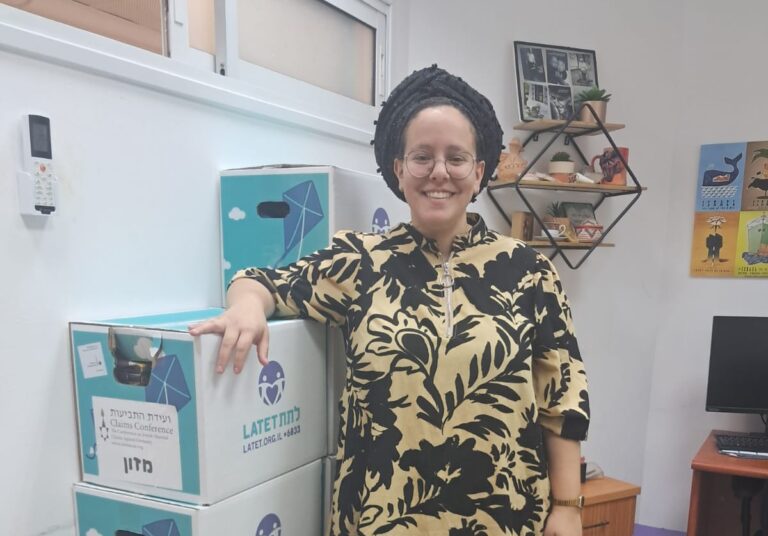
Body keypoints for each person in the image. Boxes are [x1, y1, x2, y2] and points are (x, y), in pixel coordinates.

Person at [190, 65, 590, 536]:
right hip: (380, 518)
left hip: (505, 518)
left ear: (479, 172)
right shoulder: (358, 260)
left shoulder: (529, 270)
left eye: (456, 158)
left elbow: (562, 399)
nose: (439, 172)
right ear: (399, 170)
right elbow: (261, 281)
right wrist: (246, 306)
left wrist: (568, 506)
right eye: (422, 157)